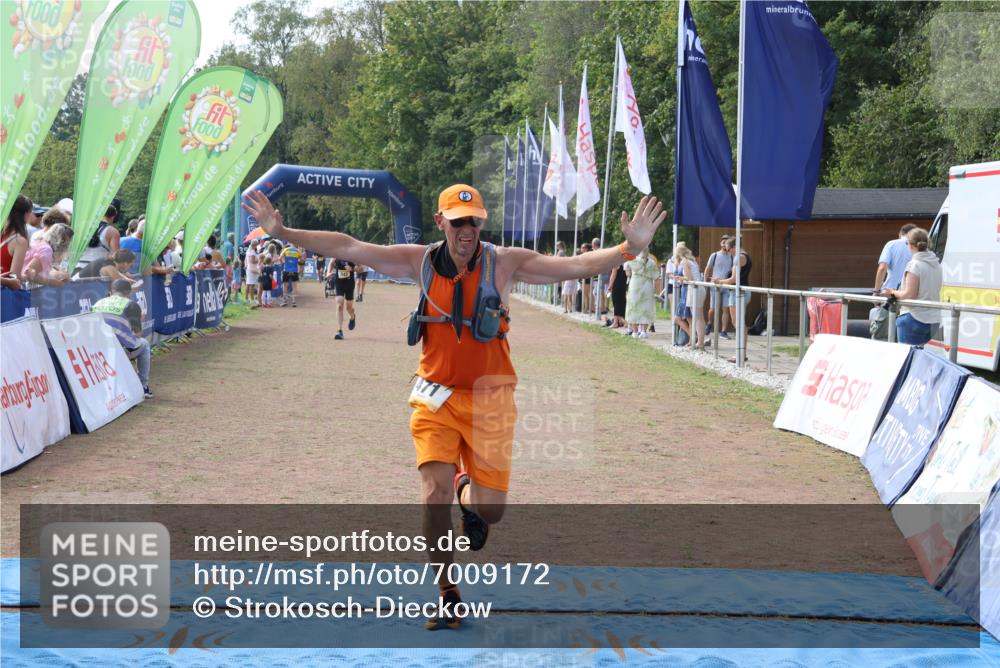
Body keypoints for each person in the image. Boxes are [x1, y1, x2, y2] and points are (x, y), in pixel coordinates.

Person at [243, 184, 665, 629]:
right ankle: (447, 593)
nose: (468, 230)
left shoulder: (504, 263)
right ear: (441, 222)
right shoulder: (418, 261)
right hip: (435, 395)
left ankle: (468, 490)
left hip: (491, 399)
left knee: (491, 510)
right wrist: (284, 231)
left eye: (475, 221)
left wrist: (626, 249)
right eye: (459, 221)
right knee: (432, 494)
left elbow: (573, 266)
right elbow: (349, 245)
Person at [92, 279, 153, 398]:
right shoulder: (131, 305)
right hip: (117, 350)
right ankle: (143, 387)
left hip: (96, 350)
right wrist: (140, 320)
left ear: (111, 291)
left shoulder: (98, 303)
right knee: (144, 344)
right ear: (129, 292)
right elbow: (138, 334)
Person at [883, 228, 942, 346]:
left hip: (914, 318)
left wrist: (893, 293)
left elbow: (909, 294)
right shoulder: (936, 264)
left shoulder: (914, 265)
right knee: (919, 357)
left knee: (907, 358)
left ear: (911, 245)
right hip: (933, 320)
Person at [871, 223, 917, 340]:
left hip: (889, 296)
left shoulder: (891, 245)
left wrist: (876, 291)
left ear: (900, 233)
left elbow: (882, 268)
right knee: (904, 338)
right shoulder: (918, 249)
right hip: (910, 298)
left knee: (882, 336)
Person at [713, 237, 752, 363]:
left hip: (737, 293)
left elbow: (734, 279)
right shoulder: (744, 256)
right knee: (739, 323)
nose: (728, 252)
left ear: (734, 247)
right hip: (740, 291)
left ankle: (739, 353)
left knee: (738, 323)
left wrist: (719, 281)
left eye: (729, 249)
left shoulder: (738, 257)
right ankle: (741, 352)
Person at [23, 222, 73, 287]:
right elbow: (28, 272)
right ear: (61, 241)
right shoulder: (46, 250)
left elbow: (41, 268)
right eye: (68, 242)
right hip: (27, 289)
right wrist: (51, 282)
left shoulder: (40, 244)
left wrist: (60, 274)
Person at [75, 205, 121, 273]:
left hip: (77, 268)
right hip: (97, 272)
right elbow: (116, 256)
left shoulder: (82, 227)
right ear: (113, 216)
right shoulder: (112, 231)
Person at [704, 235, 733, 338]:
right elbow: (707, 268)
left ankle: (723, 331)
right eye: (723, 242)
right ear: (721, 243)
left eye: (727, 242)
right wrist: (705, 283)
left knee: (726, 309)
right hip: (715, 286)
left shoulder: (731, 256)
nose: (725, 244)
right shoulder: (714, 255)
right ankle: (709, 322)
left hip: (726, 286)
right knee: (713, 308)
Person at [625, 248, 658, 338]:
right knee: (646, 307)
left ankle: (634, 331)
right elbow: (656, 276)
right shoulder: (652, 262)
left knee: (633, 307)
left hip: (635, 285)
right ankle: (643, 331)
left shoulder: (633, 260)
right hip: (647, 286)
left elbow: (625, 255)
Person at [1, 195, 32, 290]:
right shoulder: (20, 241)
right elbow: (14, 276)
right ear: (26, 214)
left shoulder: (3, 233)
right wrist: (28, 277)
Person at [679, 246, 706, 350]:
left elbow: (689, 278)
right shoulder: (693, 261)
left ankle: (700, 343)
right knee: (699, 317)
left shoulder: (685, 262)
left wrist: (682, 279)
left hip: (694, 289)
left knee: (697, 317)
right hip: (698, 288)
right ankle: (700, 342)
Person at [327, 257, 357, 339]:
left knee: (349, 308)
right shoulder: (337, 252)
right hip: (339, 282)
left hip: (349, 283)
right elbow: (331, 262)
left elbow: (361, 268)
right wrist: (328, 272)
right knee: (339, 304)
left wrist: (352, 269)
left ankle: (352, 317)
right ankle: (339, 331)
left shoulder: (353, 254)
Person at [671, 243, 691, 342]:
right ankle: (693, 338)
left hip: (686, 292)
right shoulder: (682, 262)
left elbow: (688, 278)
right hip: (684, 292)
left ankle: (694, 338)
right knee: (684, 318)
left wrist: (679, 278)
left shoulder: (684, 262)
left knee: (682, 318)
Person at [279, 242, 303, 307]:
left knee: (285, 286)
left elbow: (279, 258)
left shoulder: (286, 249)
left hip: (286, 270)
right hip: (294, 270)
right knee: (294, 286)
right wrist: (296, 261)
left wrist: (283, 263)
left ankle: (284, 301)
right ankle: (294, 301)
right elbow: (302, 260)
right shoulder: (298, 251)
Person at [606, 263, 627, 327]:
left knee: (616, 302)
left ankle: (615, 322)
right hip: (624, 285)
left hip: (616, 284)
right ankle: (621, 320)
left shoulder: (617, 263)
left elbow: (613, 274)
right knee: (622, 302)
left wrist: (610, 286)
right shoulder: (626, 263)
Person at [245, 240, 261, 307]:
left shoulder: (249, 250)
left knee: (249, 284)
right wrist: (259, 259)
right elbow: (252, 261)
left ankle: (247, 298)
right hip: (252, 269)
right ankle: (251, 298)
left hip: (250, 268)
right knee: (252, 284)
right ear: (255, 245)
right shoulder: (252, 251)